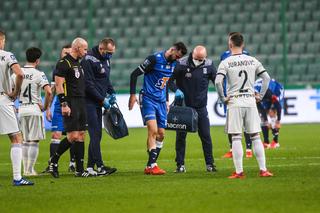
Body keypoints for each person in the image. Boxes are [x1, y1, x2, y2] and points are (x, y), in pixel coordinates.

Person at [215, 32, 273, 178]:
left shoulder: (226, 62)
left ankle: (239, 172)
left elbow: (217, 81)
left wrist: (223, 98)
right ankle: (263, 170)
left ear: (230, 44)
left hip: (234, 101)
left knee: (236, 137)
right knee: (255, 136)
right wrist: (260, 94)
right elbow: (266, 77)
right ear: (243, 44)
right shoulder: (252, 60)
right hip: (250, 101)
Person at [128, 42, 187, 175]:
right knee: (153, 130)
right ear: (172, 49)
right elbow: (134, 74)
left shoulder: (174, 64)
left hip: (161, 102)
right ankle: (153, 165)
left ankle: (149, 165)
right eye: (177, 56)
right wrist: (132, 95)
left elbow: (165, 82)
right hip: (148, 98)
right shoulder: (154, 59)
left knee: (161, 134)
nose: (177, 59)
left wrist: (167, 99)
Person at [48, 37, 94, 178]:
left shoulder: (77, 63)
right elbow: (59, 85)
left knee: (81, 135)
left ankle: (80, 170)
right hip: (70, 102)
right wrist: (64, 104)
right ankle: (53, 160)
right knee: (72, 136)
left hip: (81, 102)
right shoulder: (63, 63)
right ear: (77, 48)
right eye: (85, 49)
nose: (86, 52)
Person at [168, 45, 217, 173]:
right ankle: (180, 165)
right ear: (193, 54)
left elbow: (217, 81)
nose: (200, 61)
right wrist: (176, 90)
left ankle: (210, 164)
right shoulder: (181, 64)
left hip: (201, 107)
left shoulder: (209, 65)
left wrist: (222, 94)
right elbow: (169, 81)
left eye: (202, 59)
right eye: (197, 59)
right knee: (181, 137)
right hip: (184, 107)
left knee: (206, 136)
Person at [0, 30, 33, 185]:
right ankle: (17, 177)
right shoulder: (7, 55)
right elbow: (19, 74)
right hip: (3, 99)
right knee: (16, 137)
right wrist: (15, 92)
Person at [12, 47, 52, 176]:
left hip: (22, 109)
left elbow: (10, 90)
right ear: (38, 60)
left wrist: (13, 104)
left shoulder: (17, 73)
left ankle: (25, 170)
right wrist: (45, 107)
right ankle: (30, 170)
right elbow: (49, 91)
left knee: (23, 141)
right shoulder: (39, 74)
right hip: (34, 109)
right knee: (33, 141)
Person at [81, 37, 117, 176]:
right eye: (108, 52)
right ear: (101, 48)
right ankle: (101, 167)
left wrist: (112, 92)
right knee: (95, 134)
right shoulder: (88, 59)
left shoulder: (105, 59)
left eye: (112, 53)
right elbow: (88, 85)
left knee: (97, 135)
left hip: (98, 102)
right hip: (88, 102)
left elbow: (105, 80)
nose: (110, 55)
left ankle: (90, 167)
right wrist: (102, 99)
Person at [44, 44, 77, 173]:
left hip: (74, 104)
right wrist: (48, 109)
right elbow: (52, 90)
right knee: (55, 134)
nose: (67, 55)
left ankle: (72, 163)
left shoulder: (76, 68)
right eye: (64, 53)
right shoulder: (58, 69)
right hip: (59, 105)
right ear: (61, 55)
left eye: (69, 53)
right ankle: (52, 163)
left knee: (73, 135)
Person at [220, 32, 253, 159]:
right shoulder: (224, 55)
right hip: (230, 94)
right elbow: (222, 77)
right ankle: (232, 149)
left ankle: (249, 148)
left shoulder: (246, 55)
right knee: (230, 123)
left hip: (242, 94)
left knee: (246, 123)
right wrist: (222, 93)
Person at [254, 78, 284, 149]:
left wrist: (278, 120)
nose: (256, 100)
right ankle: (266, 142)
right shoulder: (253, 95)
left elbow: (278, 106)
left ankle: (275, 141)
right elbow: (261, 110)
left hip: (277, 91)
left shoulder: (267, 92)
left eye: (256, 99)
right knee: (263, 119)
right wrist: (265, 120)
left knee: (272, 113)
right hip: (263, 94)